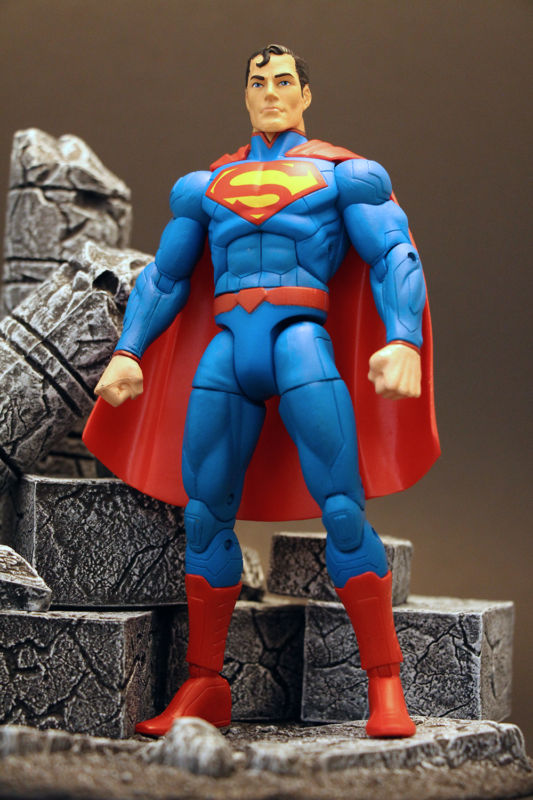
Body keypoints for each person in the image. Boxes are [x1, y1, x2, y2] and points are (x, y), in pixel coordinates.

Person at [84, 44, 439, 738]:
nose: (270, 91)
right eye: (257, 81)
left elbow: (392, 254)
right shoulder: (204, 186)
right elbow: (166, 277)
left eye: (282, 81)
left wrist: (403, 339)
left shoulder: (345, 175)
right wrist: (128, 352)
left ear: (305, 95)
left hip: (300, 340)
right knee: (203, 517)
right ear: (245, 95)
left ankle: (384, 682)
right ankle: (204, 684)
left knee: (342, 510)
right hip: (226, 350)